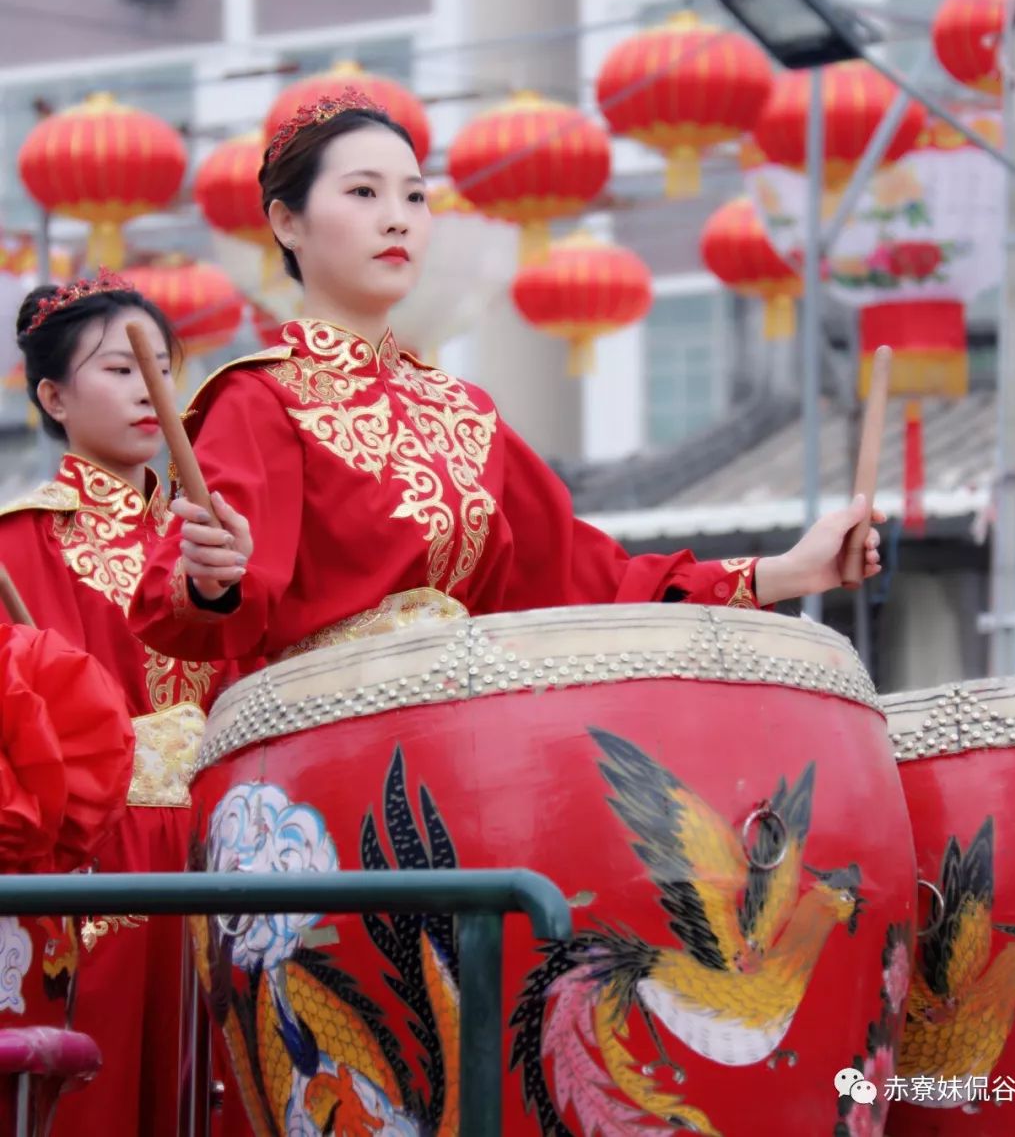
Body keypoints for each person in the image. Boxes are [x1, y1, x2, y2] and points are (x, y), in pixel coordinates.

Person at [129, 88, 882, 674]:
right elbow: (204, 613)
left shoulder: (463, 413)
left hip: (470, 745)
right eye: (363, 194)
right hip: (331, 756)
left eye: (415, 197)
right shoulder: (261, 398)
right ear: (288, 224)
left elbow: (590, 578)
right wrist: (209, 577)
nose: (398, 220)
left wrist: (786, 571)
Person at [0, 273, 229, 1137]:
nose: (150, 387)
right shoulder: (17, 542)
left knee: (216, 1079)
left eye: (162, 365)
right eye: (119, 367)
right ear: (53, 395)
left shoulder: (211, 535)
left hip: (222, 839)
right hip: (94, 856)